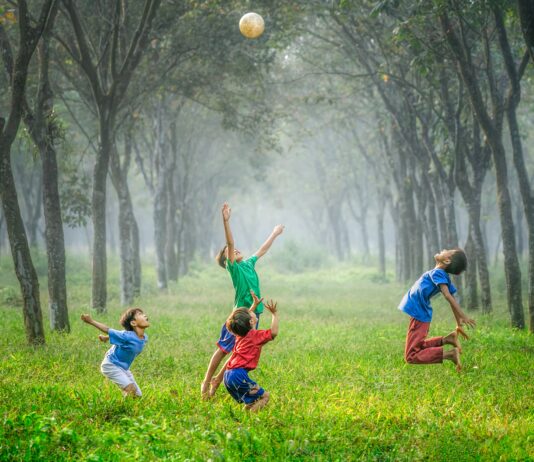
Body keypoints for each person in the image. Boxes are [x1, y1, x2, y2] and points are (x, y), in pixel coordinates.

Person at [201, 202, 284, 399]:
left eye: (235, 249)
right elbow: (230, 243)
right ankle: (206, 381)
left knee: (240, 349)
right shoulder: (234, 269)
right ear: (226, 260)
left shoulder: (248, 264)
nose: (235, 250)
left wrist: (274, 233)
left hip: (254, 314)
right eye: (229, 252)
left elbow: (262, 250)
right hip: (240, 316)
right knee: (223, 349)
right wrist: (226, 221)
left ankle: (218, 380)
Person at [398, 248, 476, 371]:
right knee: (418, 346)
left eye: (447, 251)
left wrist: (462, 315)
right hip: (419, 313)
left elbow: (448, 296)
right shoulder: (441, 274)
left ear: (446, 260)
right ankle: (447, 339)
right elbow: (452, 299)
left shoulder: (438, 273)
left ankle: (450, 355)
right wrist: (458, 324)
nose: (444, 250)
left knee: (411, 356)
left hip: (419, 314)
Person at [224, 291, 279, 412]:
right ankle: (250, 421)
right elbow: (273, 332)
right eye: (252, 313)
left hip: (228, 375)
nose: (253, 313)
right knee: (264, 397)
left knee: (252, 400)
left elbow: (243, 319)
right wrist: (274, 314)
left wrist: (253, 306)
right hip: (238, 375)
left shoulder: (240, 334)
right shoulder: (254, 335)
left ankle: (244, 417)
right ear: (251, 322)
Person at [81, 308, 149, 397]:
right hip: (111, 365)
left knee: (137, 395)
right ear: (133, 323)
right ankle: (122, 409)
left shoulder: (144, 337)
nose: (144, 315)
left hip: (123, 368)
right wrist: (91, 321)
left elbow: (120, 334)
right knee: (130, 389)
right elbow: (108, 329)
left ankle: (126, 408)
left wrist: (106, 338)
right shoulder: (127, 336)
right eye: (140, 314)